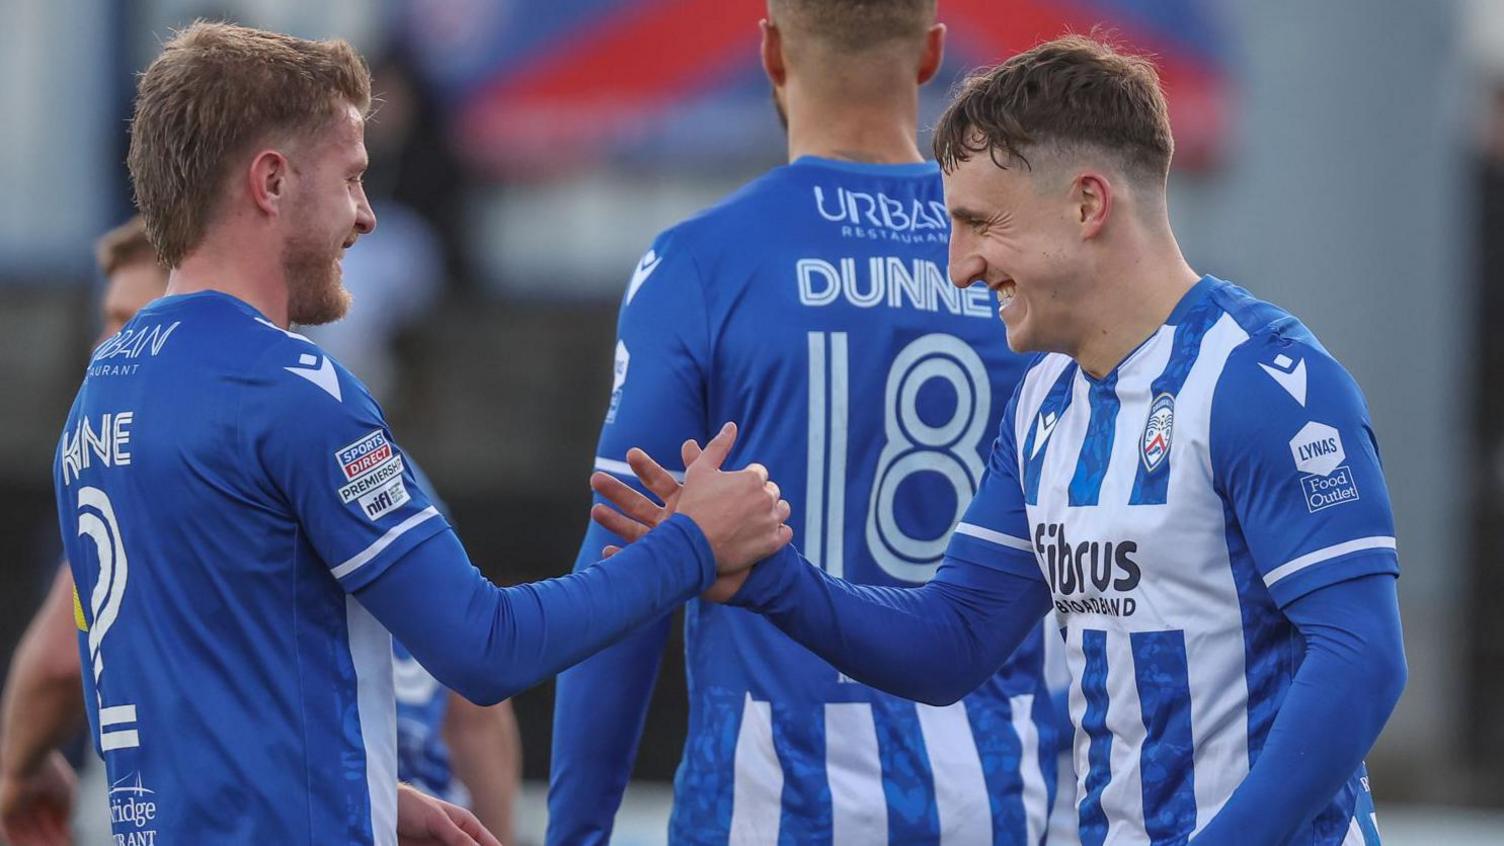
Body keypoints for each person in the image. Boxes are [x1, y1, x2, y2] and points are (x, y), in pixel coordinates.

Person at [593, 35, 1406, 845]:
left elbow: (1361, 657)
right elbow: (953, 639)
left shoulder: (1264, 382)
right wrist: (771, 578)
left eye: (980, 223)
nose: (960, 268)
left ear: (1089, 204)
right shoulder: (1042, 404)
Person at [54, 21, 789, 845]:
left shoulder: (104, 391)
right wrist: (693, 542)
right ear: (270, 182)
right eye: (353, 179)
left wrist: (372, 794)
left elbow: (191, 675)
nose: (366, 216)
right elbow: (483, 650)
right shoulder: (290, 389)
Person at [549, 2, 1061, 843]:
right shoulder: (1014, 264)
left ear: (771, 51)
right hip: (995, 789)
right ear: (932, 54)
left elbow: (623, 556)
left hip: (767, 798)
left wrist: (576, 833)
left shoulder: (701, 261)